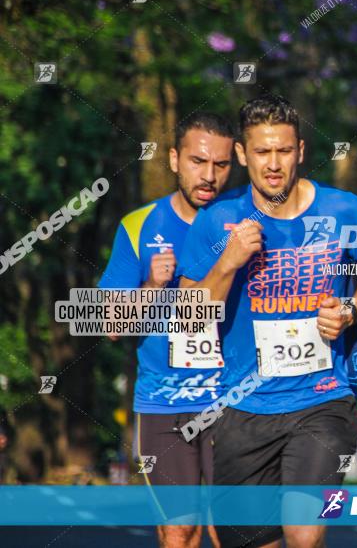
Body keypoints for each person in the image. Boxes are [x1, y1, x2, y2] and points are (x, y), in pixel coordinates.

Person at [178, 94, 357, 548]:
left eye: (283, 151)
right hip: (242, 407)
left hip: (325, 399)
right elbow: (188, 312)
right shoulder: (218, 219)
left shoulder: (344, 210)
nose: (273, 164)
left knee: (302, 529)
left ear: (300, 150)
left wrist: (351, 309)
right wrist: (228, 263)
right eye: (262, 151)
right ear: (242, 154)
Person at [98, 112, 235, 548]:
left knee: (228, 529)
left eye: (221, 164)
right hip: (163, 401)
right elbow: (109, 325)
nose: (209, 176)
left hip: (236, 399)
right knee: (179, 531)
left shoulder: (251, 222)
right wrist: (153, 285)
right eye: (198, 161)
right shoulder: (139, 226)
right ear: (175, 159)